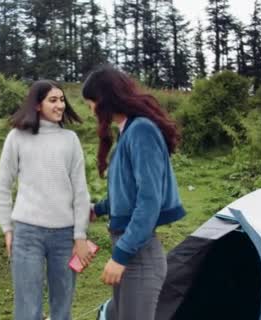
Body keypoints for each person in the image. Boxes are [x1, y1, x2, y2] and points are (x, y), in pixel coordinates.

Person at [82, 65, 186, 320]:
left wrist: (121, 255)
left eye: (91, 103)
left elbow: (149, 200)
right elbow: (127, 192)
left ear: (104, 100)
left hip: (139, 254)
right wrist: (98, 208)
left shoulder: (141, 130)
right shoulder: (128, 132)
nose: (90, 110)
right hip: (131, 247)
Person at [0, 80, 93, 320]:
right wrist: (7, 228)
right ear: (37, 105)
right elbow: (3, 186)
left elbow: (81, 191)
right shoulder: (16, 137)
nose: (60, 105)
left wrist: (80, 236)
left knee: (62, 308)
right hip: (26, 233)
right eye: (53, 100)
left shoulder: (70, 139)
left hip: (65, 236)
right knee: (27, 308)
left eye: (62, 100)